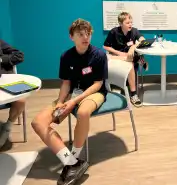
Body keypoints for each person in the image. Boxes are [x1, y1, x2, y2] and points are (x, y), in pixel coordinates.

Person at [31, 19, 108, 185]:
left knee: (82, 112)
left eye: (88, 33)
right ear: (71, 37)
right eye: (80, 34)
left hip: (94, 92)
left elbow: (98, 84)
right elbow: (66, 82)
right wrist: (60, 102)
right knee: (37, 123)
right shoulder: (66, 56)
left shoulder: (99, 55)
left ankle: (74, 156)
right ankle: (71, 162)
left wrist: (74, 101)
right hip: (72, 93)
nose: (85, 37)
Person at [103, 12, 147, 107]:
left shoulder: (134, 31)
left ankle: (133, 94)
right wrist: (119, 53)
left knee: (131, 59)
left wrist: (133, 47)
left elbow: (143, 40)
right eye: (127, 23)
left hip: (129, 56)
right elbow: (106, 46)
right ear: (120, 23)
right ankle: (141, 61)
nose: (130, 24)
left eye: (131, 22)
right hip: (117, 56)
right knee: (128, 61)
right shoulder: (114, 32)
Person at [0, 39, 25, 148]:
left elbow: (19, 55)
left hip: (6, 80)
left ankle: (7, 127)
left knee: (21, 100)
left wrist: (1, 60)